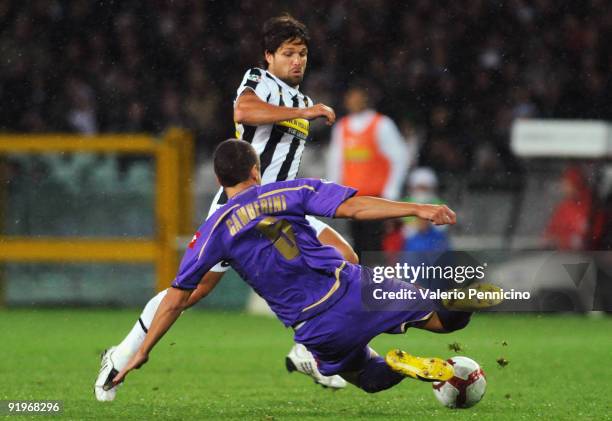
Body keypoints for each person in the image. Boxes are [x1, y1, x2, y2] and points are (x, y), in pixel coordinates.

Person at [107, 139, 499, 395]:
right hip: (354, 288)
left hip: (315, 328)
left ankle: (402, 365)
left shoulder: (213, 232)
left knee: (367, 378)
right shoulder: (290, 191)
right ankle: (463, 297)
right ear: (257, 171)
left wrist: (144, 349)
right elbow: (356, 207)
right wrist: (418, 207)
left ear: (218, 179)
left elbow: (176, 298)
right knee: (446, 320)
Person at [95, 15, 354, 401]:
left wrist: (303, 110)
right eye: (288, 54)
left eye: (302, 54)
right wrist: (302, 114)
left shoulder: (301, 100)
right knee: (190, 291)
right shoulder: (258, 81)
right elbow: (243, 112)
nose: (297, 61)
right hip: (240, 213)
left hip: (282, 211)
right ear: (269, 56)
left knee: (342, 259)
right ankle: (120, 355)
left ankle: (310, 351)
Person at [326, 86, 409, 256]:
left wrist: (391, 192)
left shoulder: (381, 124)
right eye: (350, 97)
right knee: (358, 245)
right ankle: (365, 282)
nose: (353, 101)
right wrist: (333, 193)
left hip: (376, 198)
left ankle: (377, 282)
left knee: (376, 247)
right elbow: (336, 162)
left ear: (366, 99)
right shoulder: (342, 127)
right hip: (353, 200)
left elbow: (400, 158)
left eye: (357, 96)